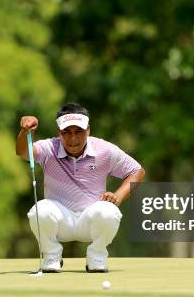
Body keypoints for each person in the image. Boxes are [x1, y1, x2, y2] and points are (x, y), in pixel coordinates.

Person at [16, 102, 146, 273]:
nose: (73, 138)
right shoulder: (50, 148)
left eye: (79, 131)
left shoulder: (104, 150)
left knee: (109, 211)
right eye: (66, 132)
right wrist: (24, 132)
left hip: (91, 221)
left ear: (88, 130)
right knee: (39, 210)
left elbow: (137, 171)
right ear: (59, 133)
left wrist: (118, 196)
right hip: (59, 221)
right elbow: (23, 152)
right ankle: (51, 256)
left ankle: (97, 257)